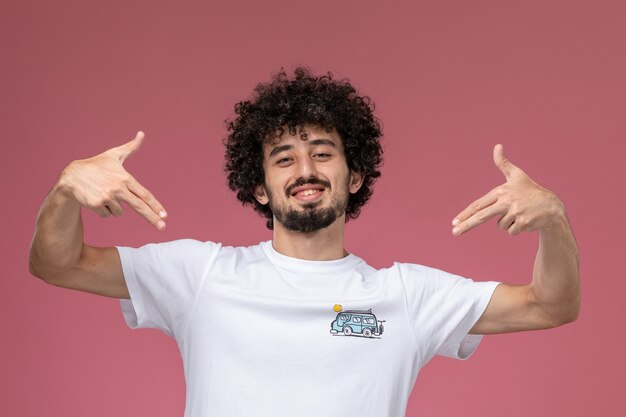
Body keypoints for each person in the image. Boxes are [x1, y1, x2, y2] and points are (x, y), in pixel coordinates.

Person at [29, 67, 580, 417]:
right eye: (283, 158)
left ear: (354, 175)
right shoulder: (200, 275)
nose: (305, 169)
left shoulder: (406, 295)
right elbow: (59, 264)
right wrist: (64, 190)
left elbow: (550, 304)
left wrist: (554, 220)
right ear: (259, 186)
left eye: (322, 152)